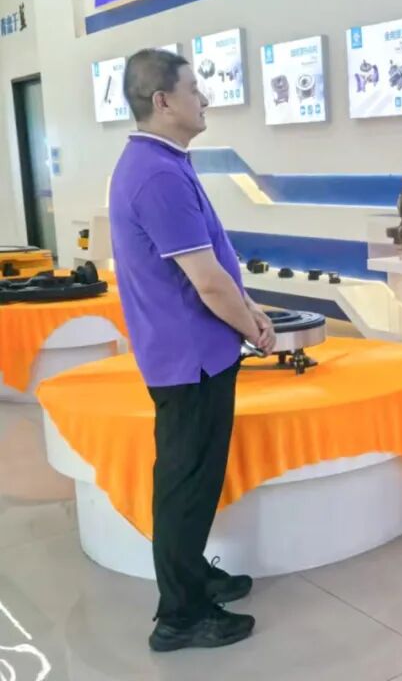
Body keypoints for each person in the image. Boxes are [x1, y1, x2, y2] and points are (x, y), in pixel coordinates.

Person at [109, 49, 273, 651]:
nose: (204, 99)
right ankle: (180, 615)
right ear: (163, 102)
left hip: (196, 351)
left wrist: (247, 308)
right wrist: (255, 326)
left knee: (194, 480)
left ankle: (193, 574)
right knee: (184, 482)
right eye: (195, 88)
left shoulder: (164, 162)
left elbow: (211, 265)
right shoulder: (155, 174)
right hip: (189, 358)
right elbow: (205, 280)